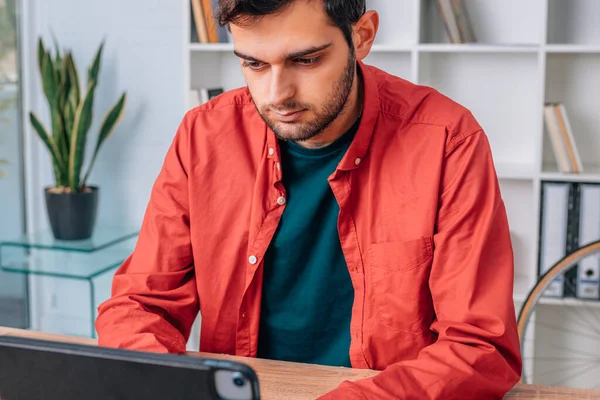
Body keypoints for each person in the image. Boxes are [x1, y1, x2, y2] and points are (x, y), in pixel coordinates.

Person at [95, 0, 523, 398]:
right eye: (254, 64)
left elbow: (480, 347)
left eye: (305, 60)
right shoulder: (203, 136)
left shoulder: (446, 139)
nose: (277, 94)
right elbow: (140, 304)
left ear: (362, 37)